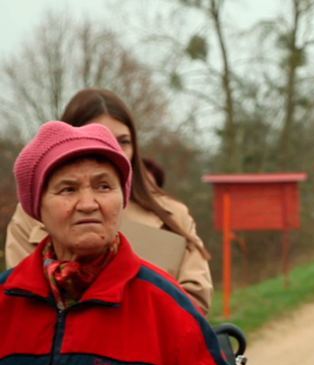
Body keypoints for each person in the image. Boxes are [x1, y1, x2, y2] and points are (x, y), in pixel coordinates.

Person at [0, 121, 250, 365]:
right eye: (67, 189)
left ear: (122, 198)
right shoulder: (5, 303)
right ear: (38, 208)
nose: (88, 203)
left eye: (104, 186)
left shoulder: (167, 309)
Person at [4, 88, 214, 313]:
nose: (114, 150)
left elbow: (194, 301)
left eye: (123, 142)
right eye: (97, 136)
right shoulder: (29, 216)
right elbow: (22, 301)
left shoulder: (172, 213)